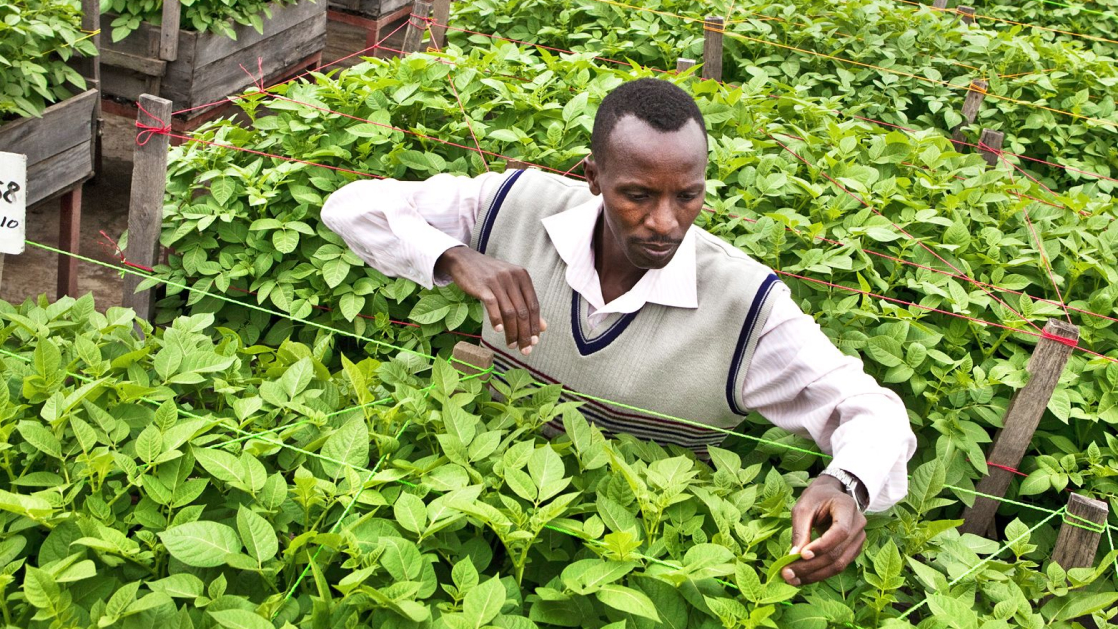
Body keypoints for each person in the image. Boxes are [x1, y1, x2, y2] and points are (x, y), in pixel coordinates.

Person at [321, 78, 915, 585]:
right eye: (637, 195)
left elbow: (872, 410)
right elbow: (349, 205)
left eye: (688, 196)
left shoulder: (744, 304)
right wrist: (454, 256)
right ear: (593, 177)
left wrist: (845, 482)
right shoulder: (516, 204)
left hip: (629, 557)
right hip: (472, 502)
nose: (665, 222)